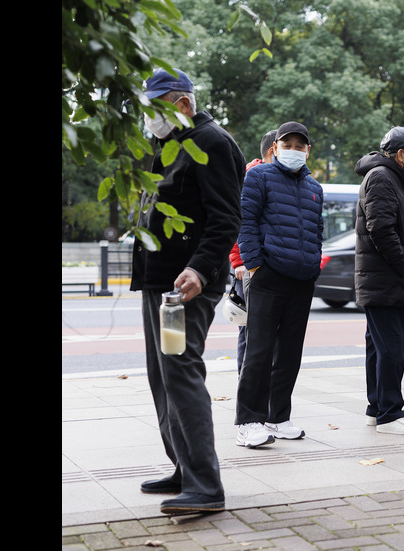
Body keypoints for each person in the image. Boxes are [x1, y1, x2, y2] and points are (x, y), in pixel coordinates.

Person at [132, 69, 245, 515]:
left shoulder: (212, 143)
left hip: (184, 286)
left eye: (154, 109)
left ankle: (205, 485)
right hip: (159, 280)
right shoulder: (168, 144)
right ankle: (184, 467)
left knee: (179, 373)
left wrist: (200, 268)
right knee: (162, 378)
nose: (148, 120)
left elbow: (225, 218)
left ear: (181, 104)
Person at [234, 121, 324, 447]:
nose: (294, 150)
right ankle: (248, 421)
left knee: (289, 354)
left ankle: (277, 417)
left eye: (300, 145)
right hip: (268, 276)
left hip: (302, 279)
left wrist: (313, 265)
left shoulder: (314, 186)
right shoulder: (258, 177)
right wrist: (255, 264)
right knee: (258, 352)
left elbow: (317, 230)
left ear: (308, 150)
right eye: (288, 144)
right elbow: (246, 222)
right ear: (275, 147)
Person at [355, 126, 404, 435]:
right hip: (385, 279)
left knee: (379, 346)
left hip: (383, 279)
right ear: (400, 154)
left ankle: (377, 409)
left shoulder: (388, 177)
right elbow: (381, 229)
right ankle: (390, 413)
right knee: (390, 347)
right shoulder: (382, 177)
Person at [229, 129, 276, 372]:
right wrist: (239, 261)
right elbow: (239, 221)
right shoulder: (251, 176)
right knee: (250, 331)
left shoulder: (271, 177)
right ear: (272, 151)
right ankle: (245, 383)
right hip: (249, 266)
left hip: (264, 265)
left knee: (262, 331)